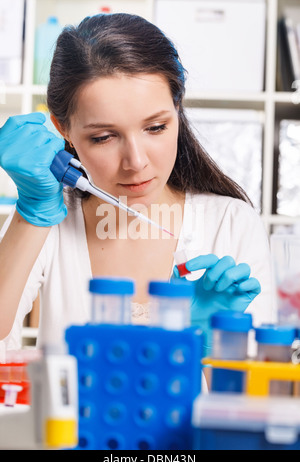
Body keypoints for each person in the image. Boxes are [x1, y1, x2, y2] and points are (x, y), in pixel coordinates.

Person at [0, 13, 273, 354]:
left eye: (155, 128)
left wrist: (201, 344)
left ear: (177, 107)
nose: (136, 162)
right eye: (103, 137)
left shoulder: (231, 223)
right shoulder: (47, 223)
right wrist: (30, 216)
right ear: (63, 129)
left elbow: (255, 393)